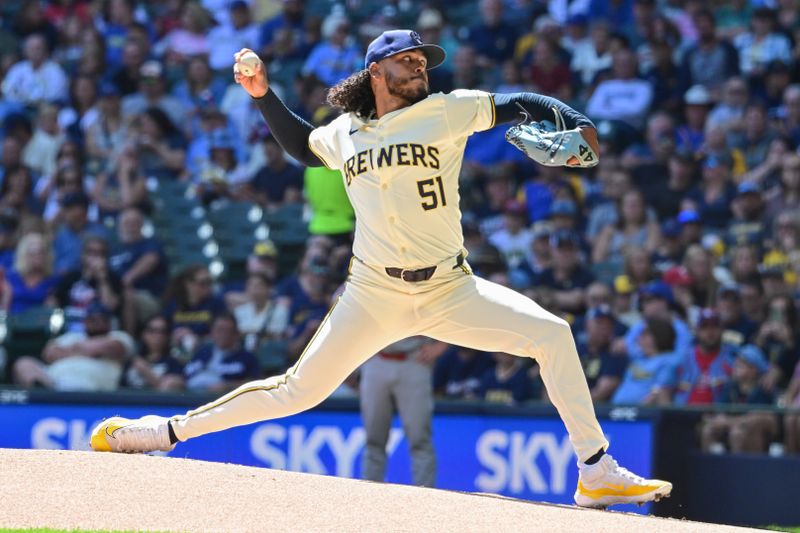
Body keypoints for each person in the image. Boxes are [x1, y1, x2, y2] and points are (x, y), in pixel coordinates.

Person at [90, 30, 671, 508]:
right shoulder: (344, 133)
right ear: (377, 71)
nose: (421, 68)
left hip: (449, 286)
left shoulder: (446, 111)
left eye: (423, 61)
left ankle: (595, 469)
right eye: (409, 61)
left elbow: (521, 102)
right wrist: (264, 95)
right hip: (372, 293)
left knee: (553, 333)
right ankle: (164, 433)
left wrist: (577, 121)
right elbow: (301, 145)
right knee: (297, 392)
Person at [360, 336, 442, 488]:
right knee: (373, 440)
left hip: (414, 359)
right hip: (377, 358)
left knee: (419, 438)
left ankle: (425, 499)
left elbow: (452, 314)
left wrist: (442, 346)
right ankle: (368, 494)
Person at [13, 302, 135, 391]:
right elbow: (49, 354)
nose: (97, 322)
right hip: (53, 385)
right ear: (85, 321)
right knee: (24, 363)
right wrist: (89, 351)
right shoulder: (72, 336)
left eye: (102, 319)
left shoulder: (119, 336)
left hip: (91, 387)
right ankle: (41, 396)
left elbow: (111, 347)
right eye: (92, 319)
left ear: (109, 322)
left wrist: (70, 351)